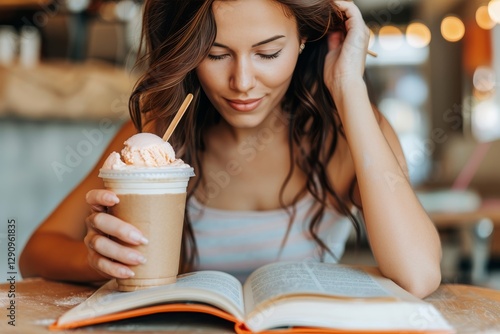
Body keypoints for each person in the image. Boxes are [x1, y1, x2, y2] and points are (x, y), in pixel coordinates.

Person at [20, 0, 442, 298]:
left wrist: (348, 87)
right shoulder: (158, 129)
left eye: (268, 52)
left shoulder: (349, 133)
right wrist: (95, 261)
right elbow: (36, 253)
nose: (242, 82)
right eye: (216, 54)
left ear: (303, 41)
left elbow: (419, 274)